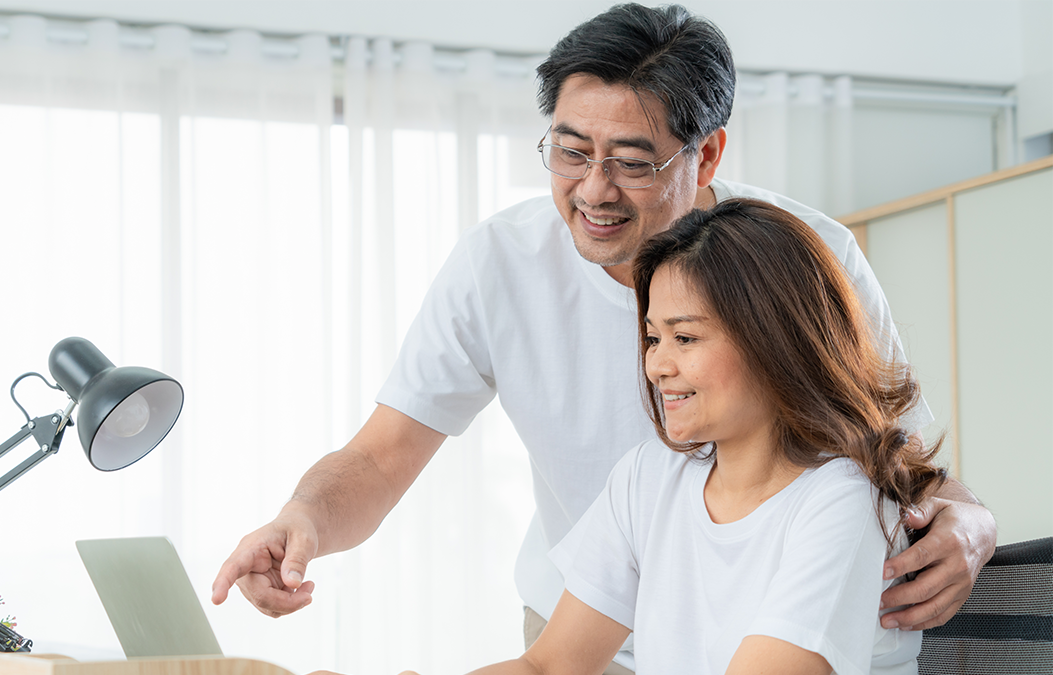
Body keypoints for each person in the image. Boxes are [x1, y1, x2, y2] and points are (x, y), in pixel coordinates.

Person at [212, 5, 996, 672]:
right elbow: (390, 463)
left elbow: (896, 453)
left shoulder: (801, 270)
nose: (593, 190)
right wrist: (304, 517)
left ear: (708, 153)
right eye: (570, 151)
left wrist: (973, 519)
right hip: (599, 623)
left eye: (630, 162)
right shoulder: (644, 473)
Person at [320, 197, 950, 674]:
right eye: (653, 338)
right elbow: (548, 667)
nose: (656, 366)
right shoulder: (651, 477)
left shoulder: (842, 500)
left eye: (685, 338)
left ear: (772, 341)